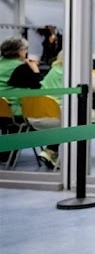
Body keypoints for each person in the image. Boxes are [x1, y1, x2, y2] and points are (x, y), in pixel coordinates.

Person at [0, 36, 58, 168]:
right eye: (25, 49)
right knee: (52, 118)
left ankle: (5, 152)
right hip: (13, 110)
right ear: (19, 51)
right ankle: (50, 151)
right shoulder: (21, 68)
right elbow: (38, 90)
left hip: (1, 108)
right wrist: (35, 70)